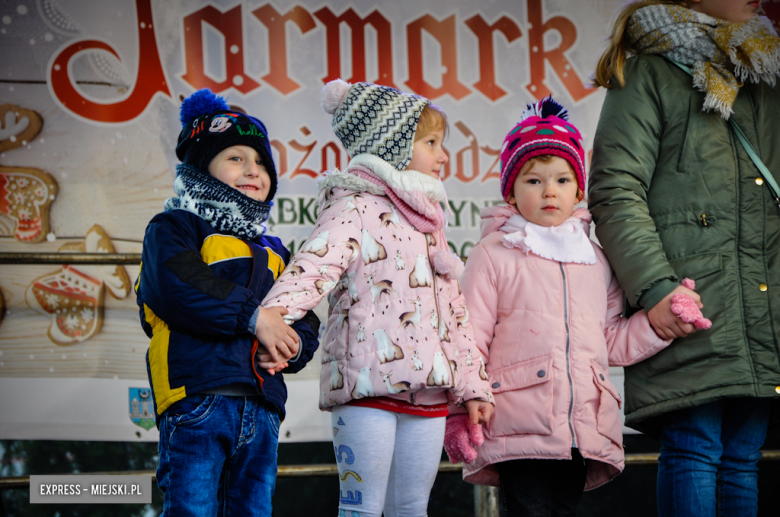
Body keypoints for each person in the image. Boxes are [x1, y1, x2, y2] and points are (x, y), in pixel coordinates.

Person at [260, 79, 493, 517]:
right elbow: (316, 262)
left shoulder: (429, 222)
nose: (443, 156)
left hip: (428, 395)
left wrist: (473, 389)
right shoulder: (354, 206)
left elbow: (454, 315)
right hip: (366, 388)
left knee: (411, 509)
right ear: (393, 145)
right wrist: (274, 314)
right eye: (431, 142)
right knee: (362, 510)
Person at [589, 0, 780, 515]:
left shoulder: (767, 66)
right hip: (690, 296)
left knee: (743, 456)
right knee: (696, 449)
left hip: (763, 301)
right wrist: (657, 291)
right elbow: (615, 189)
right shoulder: (650, 68)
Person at [449, 97, 671, 517]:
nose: (550, 190)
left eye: (563, 180)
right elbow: (468, 334)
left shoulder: (595, 257)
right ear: (511, 194)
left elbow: (610, 340)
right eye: (533, 181)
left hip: (580, 427)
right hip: (516, 423)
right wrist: (466, 400)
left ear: (579, 190)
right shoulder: (493, 253)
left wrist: (660, 325)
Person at [135, 89, 320, 516]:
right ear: (201, 167)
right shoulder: (173, 227)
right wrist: (256, 318)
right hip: (196, 398)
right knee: (193, 508)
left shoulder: (274, 250)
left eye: (260, 162)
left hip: (263, 407)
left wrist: (294, 345)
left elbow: (303, 313)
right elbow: (177, 285)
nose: (252, 169)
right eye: (235, 158)